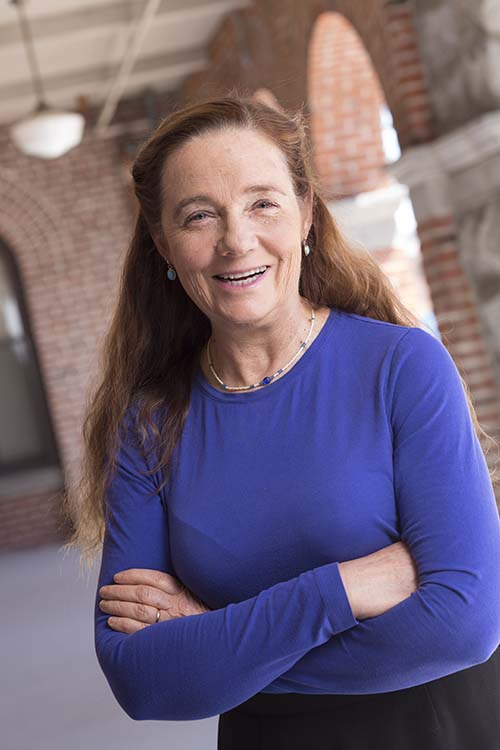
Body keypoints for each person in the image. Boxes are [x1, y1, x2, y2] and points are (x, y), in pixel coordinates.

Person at [64, 95, 500, 749]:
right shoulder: (150, 423)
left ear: (306, 215)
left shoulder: (402, 367)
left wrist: (223, 640)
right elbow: (142, 680)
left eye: (262, 203)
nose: (236, 240)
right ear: (164, 244)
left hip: (442, 729)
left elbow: (465, 622)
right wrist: (343, 589)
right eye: (199, 216)